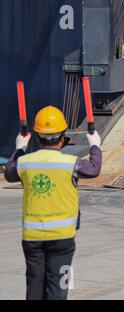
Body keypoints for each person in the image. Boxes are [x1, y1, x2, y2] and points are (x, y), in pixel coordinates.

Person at [4, 106, 102, 300]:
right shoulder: (71, 163)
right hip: (62, 239)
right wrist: (95, 145)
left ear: (37, 136)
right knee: (58, 284)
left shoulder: (25, 163)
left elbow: (8, 172)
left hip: (32, 238)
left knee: (34, 283)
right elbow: (94, 169)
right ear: (63, 136)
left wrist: (20, 148)